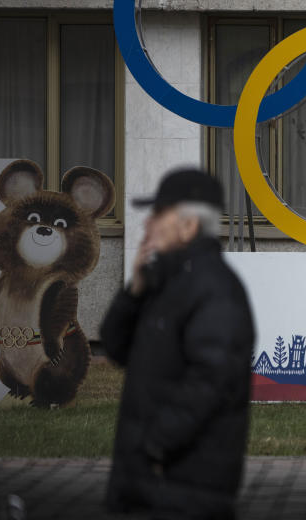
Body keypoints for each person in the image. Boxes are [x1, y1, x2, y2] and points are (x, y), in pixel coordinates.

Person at [101, 169, 254, 520]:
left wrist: (153, 446)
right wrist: (134, 289)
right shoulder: (164, 283)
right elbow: (115, 346)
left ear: (188, 226)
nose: (148, 225)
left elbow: (212, 382)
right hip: (150, 484)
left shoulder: (215, 289)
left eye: (159, 215)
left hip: (184, 487)